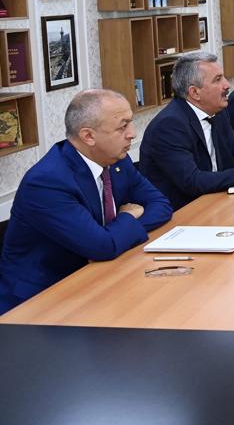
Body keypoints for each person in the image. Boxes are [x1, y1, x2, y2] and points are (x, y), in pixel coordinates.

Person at [0, 90, 172, 314]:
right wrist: (127, 218)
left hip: (98, 278)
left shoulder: (117, 161)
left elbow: (161, 205)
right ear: (88, 136)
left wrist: (114, 236)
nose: (133, 133)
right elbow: (101, 246)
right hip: (40, 302)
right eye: (122, 127)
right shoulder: (46, 182)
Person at [141, 52, 234, 210]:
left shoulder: (217, 111)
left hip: (217, 199)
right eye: (218, 79)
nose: (227, 85)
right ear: (195, 93)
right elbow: (192, 181)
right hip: (185, 211)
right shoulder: (169, 126)